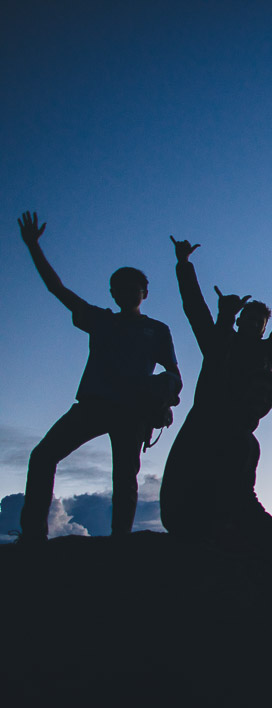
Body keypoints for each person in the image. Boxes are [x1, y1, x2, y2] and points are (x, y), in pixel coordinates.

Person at [16, 211, 181, 542]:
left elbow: (174, 374)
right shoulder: (101, 320)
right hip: (94, 404)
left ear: (144, 292)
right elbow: (56, 288)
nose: (125, 292)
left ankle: (120, 539)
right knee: (43, 456)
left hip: (132, 411)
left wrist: (163, 397)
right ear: (112, 293)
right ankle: (33, 536)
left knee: (125, 477)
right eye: (118, 288)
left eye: (132, 288)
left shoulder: (157, 330)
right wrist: (33, 246)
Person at [170, 235, 272, 379]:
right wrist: (183, 264)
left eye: (259, 322)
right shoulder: (216, 341)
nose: (254, 324)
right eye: (251, 319)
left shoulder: (267, 352)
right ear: (238, 321)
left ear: (264, 330)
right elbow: (195, 307)